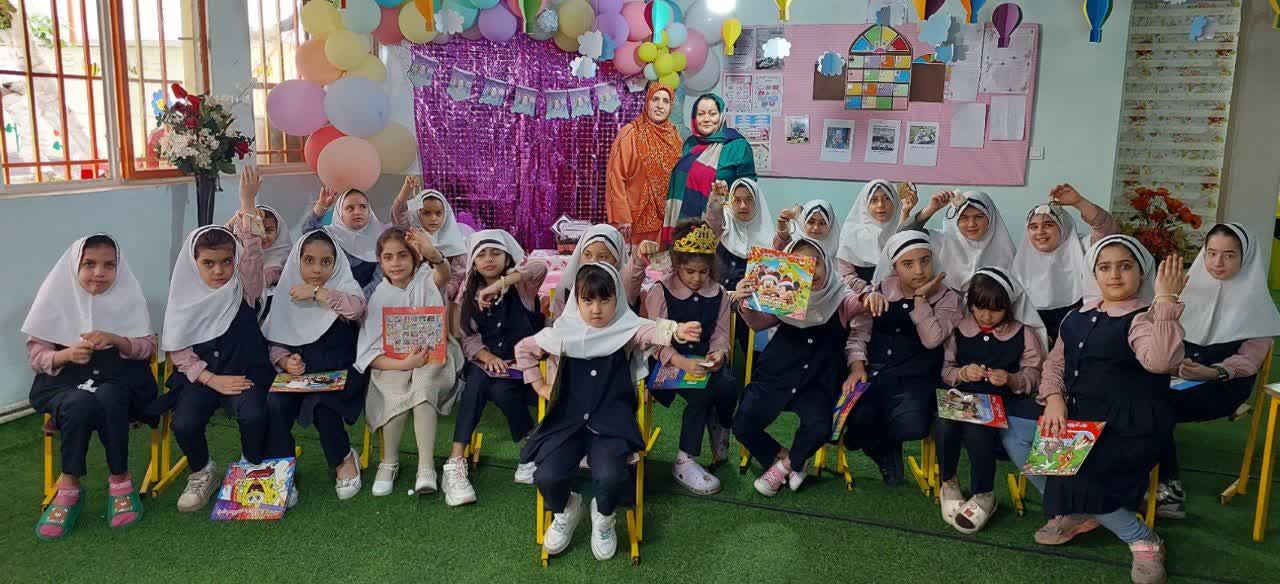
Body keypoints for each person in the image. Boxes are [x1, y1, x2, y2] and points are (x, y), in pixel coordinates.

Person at [517, 263, 702, 560]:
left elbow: (649, 331)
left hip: (611, 421)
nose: (596, 309)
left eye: (605, 300)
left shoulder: (625, 329)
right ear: (576, 301)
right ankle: (566, 510)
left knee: (612, 475)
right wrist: (539, 385)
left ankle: (604, 516)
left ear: (617, 299)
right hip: (567, 421)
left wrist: (676, 331)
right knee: (546, 475)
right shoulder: (562, 333)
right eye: (588, 300)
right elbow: (524, 349)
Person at [1037, 235, 1185, 584]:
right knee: (1019, 435)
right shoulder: (1076, 316)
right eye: (1105, 267)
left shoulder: (1144, 317)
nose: (1114, 275)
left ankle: (1143, 539)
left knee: (1075, 474)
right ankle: (1083, 510)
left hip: (1129, 426)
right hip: (1079, 419)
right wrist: (1054, 397)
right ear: (1094, 274)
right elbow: (1055, 364)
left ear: (1141, 272)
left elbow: (1161, 361)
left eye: (1125, 266)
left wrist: (1166, 300)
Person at [24, 234, 157, 540]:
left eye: (109, 265)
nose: (99, 272)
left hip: (119, 380)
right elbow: (37, 357)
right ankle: (69, 485)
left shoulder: (130, 295)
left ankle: (120, 479)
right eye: (89, 264)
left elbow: (147, 348)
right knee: (78, 402)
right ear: (75, 266)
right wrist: (66, 354)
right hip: (66, 383)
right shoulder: (55, 296)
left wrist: (116, 339)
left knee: (110, 395)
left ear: (119, 268)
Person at [161, 167, 276, 513]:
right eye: (208, 263)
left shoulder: (244, 289)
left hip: (245, 371)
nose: (218, 270)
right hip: (203, 376)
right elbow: (179, 351)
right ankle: (203, 471)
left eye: (226, 262)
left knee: (253, 415)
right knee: (185, 423)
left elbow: (252, 256)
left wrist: (248, 203)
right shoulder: (183, 298)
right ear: (194, 264)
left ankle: (250, 467)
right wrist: (211, 379)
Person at [733, 236, 885, 496]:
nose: (811, 271)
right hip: (777, 374)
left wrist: (869, 297)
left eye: (816, 263)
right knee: (742, 422)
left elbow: (856, 302)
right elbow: (758, 323)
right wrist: (746, 302)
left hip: (817, 381)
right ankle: (790, 459)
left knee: (819, 427)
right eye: (802, 264)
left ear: (827, 263)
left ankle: (784, 468)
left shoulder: (839, 296)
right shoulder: (785, 292)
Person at [1155, 223, 1280, 518]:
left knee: (1155, 405)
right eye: (1211, 253)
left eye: (1229, 255)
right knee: (1127, 394)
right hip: (1177, 376)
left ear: (1245, 258)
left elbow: (1249, 360)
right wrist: (1165, 299)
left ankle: (1169, 489)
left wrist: (1211, 372)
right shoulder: (1187, 287)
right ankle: (1129, 473)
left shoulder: (1256, 303)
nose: (1217, 263)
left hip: (1222, 385)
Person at [842, 230, 963, 485]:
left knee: (912, 427)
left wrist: (920, 299)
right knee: (855, 430)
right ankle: (885, 450)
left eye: (925, 261)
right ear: (895, 267)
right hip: (875, 374)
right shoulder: (880, 290)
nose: (919, 271)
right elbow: (859, 332)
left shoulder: (947, 297)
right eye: (908, 264)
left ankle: (888, 442)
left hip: (918, 378)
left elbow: (931, 339)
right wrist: (857, 366)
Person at [441, 229, 548, 506]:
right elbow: (468, 337)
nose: (489, 259)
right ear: (474, 263)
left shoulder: (521, 287)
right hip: (486, 364)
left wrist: (501, 284)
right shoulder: (469, 294)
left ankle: (530, 445)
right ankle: (456, 460)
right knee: (477, 379)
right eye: (482, 255)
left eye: (496, 253)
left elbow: (540, 267)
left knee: (499, 390)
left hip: (522, 366)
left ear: (506, 257)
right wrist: (486, 356)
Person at [937, 266, 1046, 533]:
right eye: (979, 308)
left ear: (1009, 307)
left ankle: (983, 494)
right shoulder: (959, 329)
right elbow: (946, 369)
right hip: (963, 396)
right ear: (970, 304)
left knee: (978, 429)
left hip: (1002, 400)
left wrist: (1011, 379)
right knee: (943, 424)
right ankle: (949, 482)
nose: (986, 316)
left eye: (996, 310)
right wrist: (962, 373)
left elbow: (1035, 374)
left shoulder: (1023, 332)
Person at [262, 230, 369, 502]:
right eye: (309, 261)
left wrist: (317, 293)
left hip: (339, 373)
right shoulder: (286, 291)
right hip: (298, 376)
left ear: (336, 263)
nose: (317, 269)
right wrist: (285, 360)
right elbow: (275, 341)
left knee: (323, 406)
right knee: (275, 404)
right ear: (297, 261)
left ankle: (343, 458)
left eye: (325, 262)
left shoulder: (342, 289)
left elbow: (356, 309)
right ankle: (282, 469)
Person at [356, 227, 462, 497]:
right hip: (393, 362)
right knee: (393, 392)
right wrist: (403, 364)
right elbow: (370, 353)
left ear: (414, 257)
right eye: (388, 257)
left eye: (403, 255)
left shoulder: (426, 278)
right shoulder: (378, 297)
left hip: (433, 357)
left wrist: (433, 254)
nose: (396, 263)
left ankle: (426, 466)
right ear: (380, 262)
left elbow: (444, 273)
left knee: (423, 389)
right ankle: (388, 462)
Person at [642, 221, 740, 493]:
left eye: (703, 271)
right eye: (690, 271)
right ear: (677, 264)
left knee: (728, 384)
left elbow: (720, 335)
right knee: (701, 393)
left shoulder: (719, 293)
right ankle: (685, 460)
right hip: (666, 362)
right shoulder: (660, 291)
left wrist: (718, 354)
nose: (697, 278)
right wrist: (683, 362)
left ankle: (720, 422)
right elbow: (655, 339)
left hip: (703, 359)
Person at [1010, 184, 1119, 344]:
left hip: (1079, 336)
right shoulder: (1020, 262)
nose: (1040, 231)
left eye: (1048, 225)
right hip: (1033, 344)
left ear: (1063, 226)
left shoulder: (1082, 248)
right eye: (1033, 227)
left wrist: (1079, 202)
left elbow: (1108, 231)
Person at [662, 93, 756, 246]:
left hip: (721, 227)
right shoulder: (690, 143)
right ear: (694, 118)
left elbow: (750, 189)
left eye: (712, 114)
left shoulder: (738, 145)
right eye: (701, 114)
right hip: (683, 224)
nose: (706, 119)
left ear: (721, 115)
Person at [606, 83, 683, 244]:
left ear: (671, 107)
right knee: (635, 260)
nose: (660, 105)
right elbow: (616, 178)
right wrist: (622, 218)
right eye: (655, 99)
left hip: (666, 222)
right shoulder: (630, 133)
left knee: (661, 260)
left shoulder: (675, 138)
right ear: (647, 102)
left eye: (665, 101)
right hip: (633, 223)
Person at [899, 189, 1016, 291]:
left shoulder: (1005, 252)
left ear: (990, 218)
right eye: (964, 218)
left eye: (979, 217)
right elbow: (901, 237)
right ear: (956, 220)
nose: (971, 224)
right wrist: (931, 209)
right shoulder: (941, 241)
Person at [391, 176, 469, 300]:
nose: (433, 218)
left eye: (438, 213)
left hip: (442, 299)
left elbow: (458, 276)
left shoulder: (455, 242)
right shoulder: (412, 235)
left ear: (446, 214)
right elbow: (398, 213)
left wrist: (435, 295)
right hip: (410, 297)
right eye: (427, 213)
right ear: (417, 214)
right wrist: (406, 189)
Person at [551, 224, 653, 318]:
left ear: (616, 260)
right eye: (588, 255)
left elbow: (634, 274)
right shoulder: (568, 289)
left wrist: (639, 254)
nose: (594, 262)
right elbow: (559, 324)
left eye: (603, 257)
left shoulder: (622, 286)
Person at [302, 186, 388, 297]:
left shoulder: (380, 241)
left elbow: (378, 283)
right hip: (327, 300)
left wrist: (355, 302)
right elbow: (309, 233)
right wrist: (321, 207)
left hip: (366, 302)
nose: (357, 212)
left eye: (363, 207)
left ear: (369, 212)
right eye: (350, 208)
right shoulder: (331, 235)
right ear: (340, 213)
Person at [706, 177, 773, 293]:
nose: (743, 206)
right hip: (717, 297)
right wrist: (716, 198)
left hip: (748, 302)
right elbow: (714, 219)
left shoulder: (769, 237)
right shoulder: (724, 224)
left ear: (757, 202)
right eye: (737, 200)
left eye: (748, 200)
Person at [838, 179, 903, 284]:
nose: (880, 205)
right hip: (860, 293)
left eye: (887, 198)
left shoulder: (903, 230)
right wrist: (868, 291)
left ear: (895, 201)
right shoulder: (851, 234)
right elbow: (846, 276)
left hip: (898, 292)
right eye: (873, 200)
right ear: (865, 204)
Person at [775, 199, 840, 253]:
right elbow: (780, 255)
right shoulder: (792, 247)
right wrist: (782, 230)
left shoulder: (839, 258)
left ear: (830, 225)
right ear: (803, 222)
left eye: (822, 223)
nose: (816, 227)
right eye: (811, 222)